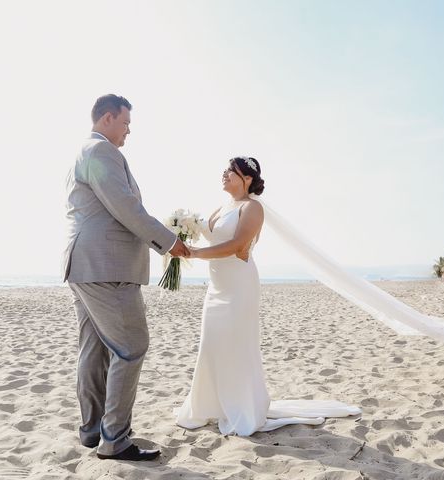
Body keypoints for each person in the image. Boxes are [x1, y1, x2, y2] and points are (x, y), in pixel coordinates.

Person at [175, 157, 360, 435]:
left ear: (247, 178)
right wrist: (180, 228)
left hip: (239, 286)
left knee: (236, 345)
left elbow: (238, 246)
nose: (224, 174)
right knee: (212, 343)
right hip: (216, 287)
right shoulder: (223, 207)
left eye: (231, 171)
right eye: (225, 170)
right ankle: (210, 406)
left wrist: (195, 253)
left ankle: (242, 406)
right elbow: (212, 236)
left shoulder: (253, 208)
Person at [63, 94, 189, 460]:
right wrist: (168, 242)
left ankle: (91, 432)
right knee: (131, 347)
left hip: (83, 266)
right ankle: (114, 440)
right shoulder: (101, 152)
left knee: (95, 349)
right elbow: (125, 207)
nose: (128, 132)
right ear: (106, 118)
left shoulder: (82, 153)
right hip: (106, 268)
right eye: (125, 124)